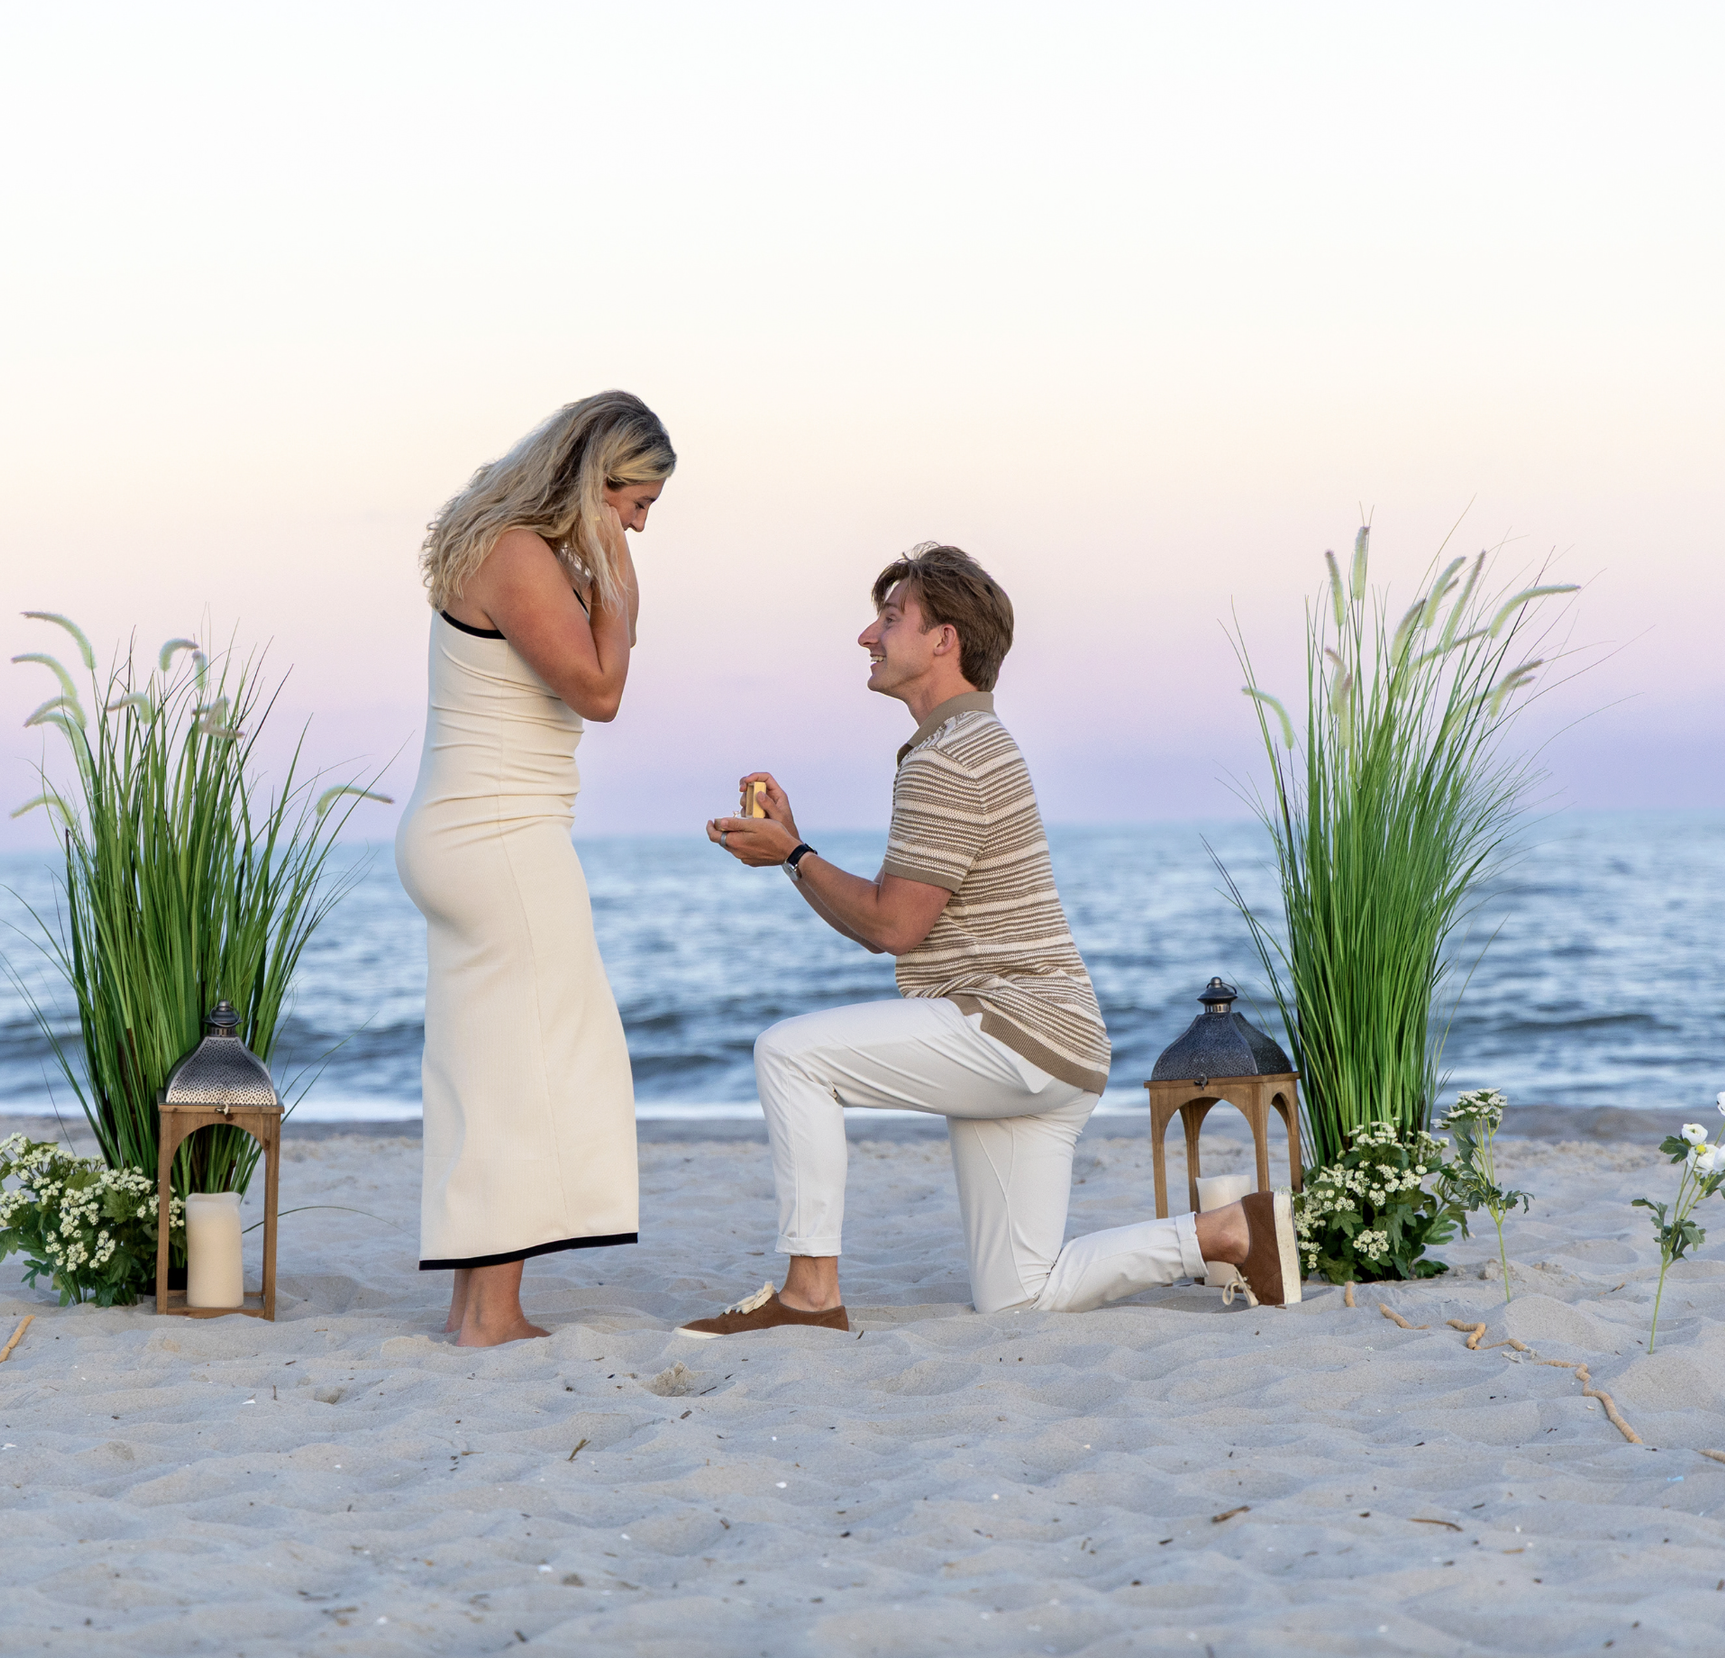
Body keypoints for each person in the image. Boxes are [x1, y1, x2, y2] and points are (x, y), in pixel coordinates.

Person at [686, 543, 1298, 1336]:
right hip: (1056, 1046)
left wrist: (793, 857)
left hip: (1011, 1031)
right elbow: (890, 916)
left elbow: (892, 926)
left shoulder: (949, 758)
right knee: (1018, 1295)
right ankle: (1228, 1233)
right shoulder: (974, 744)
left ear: (944, 639)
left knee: (790, 1054)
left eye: (891, 618)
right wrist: (796, 854)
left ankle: (808, 1296)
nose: (868, 636)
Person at [395, 390, 673, 1347]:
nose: (637, 524)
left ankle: (473, 1307)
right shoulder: (518, 552)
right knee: (531, 1067)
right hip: (499, 838)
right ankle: (497, 1315)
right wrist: (624, 593)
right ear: (595, 478)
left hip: (470, 835)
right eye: (634, 502)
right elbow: (598, 691)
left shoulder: (514, 549)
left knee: (485, 1068)